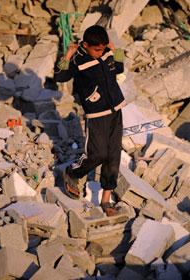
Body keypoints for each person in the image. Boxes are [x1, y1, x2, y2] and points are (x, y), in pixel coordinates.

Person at [54, 25, 126, 216]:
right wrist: (67, 55)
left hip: (116, 111)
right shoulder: (79, 60)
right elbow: (60, 76)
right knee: (97, 153)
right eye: (96, 50)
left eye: (102, 49)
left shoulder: (107, 53)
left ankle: (105, 201)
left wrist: (115, 49)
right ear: (85, 45)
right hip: (96, 115)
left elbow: (119, 67)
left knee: (113, 155)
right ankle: (72, 172)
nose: (100, 53)